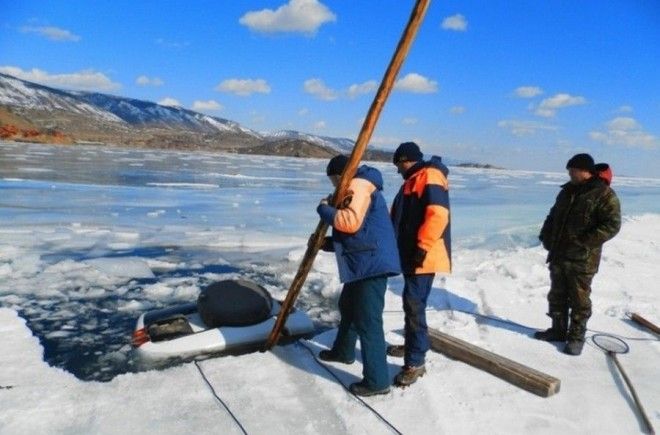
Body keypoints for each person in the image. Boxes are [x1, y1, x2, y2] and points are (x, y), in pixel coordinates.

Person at [316, 155, 401, 396]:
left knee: (368, 321)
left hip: (371, 265)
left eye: (334, 179)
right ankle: (343, 351)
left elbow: (350, 222)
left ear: (340, 174)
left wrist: (324, 209)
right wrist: (330, 244)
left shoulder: (359, 184)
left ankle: (377, 382)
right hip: (364, 261)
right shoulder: (359, 184)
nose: (334, 185)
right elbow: (360, 232)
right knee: (349, 307)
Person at [536, 153, 621, 355]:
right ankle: (558, 331)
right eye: (569, 171)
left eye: (573, 170)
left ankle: (576, 338)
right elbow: (553, 215)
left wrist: (583, 242)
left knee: (579, 300)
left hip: (583, 259)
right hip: (559, 254)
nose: (570, 174)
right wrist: (546, 234)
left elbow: (612, 225)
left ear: (586, 171)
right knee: (557, 295)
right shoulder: (567, 192)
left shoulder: (604, 195)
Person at [389, 142, 451, 387]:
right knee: (411, 303)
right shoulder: (415, 178)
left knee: (414, 305)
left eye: (398, 164)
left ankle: (415, 361)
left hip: (424, 255)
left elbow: (438, 214)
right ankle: (413, 346)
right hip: (414, 253)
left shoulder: (430, 176)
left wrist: (422, 247)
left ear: (406, 160)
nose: (397, 170)